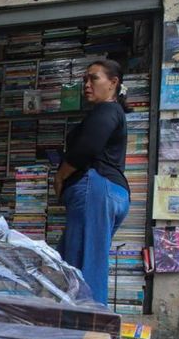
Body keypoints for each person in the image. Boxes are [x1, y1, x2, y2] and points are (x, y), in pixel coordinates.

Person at [55, 59, 131, 305]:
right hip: (107, 192)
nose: (86, 84)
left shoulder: (107, 110)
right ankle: (75, 330)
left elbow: (87, 148)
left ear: (113, 83)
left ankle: (90, 335)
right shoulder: (108, 112)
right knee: (71, 264)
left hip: (97, 189)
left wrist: (61, 175)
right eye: (84, 80)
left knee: (85, 271)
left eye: (93, 78)